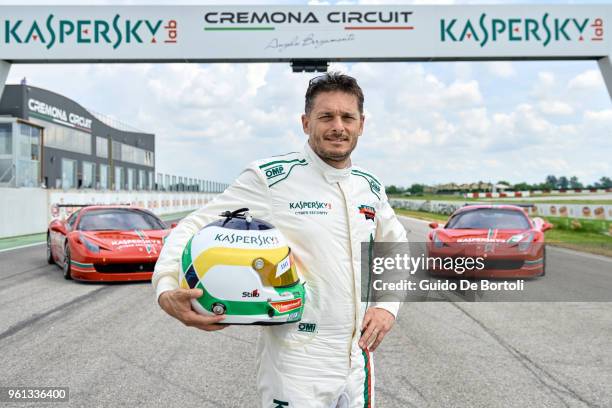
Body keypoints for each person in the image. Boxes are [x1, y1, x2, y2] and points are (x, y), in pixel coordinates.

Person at [152, 72, 407, 408]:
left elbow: (397, 244)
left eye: (348, 117)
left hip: (356, 357)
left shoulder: (369, 186)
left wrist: (387, 306)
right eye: (326, 116)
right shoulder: (271, 177)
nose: (338, 127)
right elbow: (194, 225)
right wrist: (166, 286)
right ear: (305, 122)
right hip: (297, 359)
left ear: (362, 124)